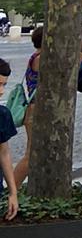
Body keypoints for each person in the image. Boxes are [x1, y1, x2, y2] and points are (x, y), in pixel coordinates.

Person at [7, 26, 41, 190]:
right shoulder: (41, 58)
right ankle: (12, 189)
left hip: (34, 109)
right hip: (36, 110)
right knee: (31, 154)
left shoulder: (35, 56)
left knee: (35, 153)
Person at [0, 60, 20, 220]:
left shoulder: (3, 114)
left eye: (4, 85)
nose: (1, 91)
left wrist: (13, 192)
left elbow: (4, 153)